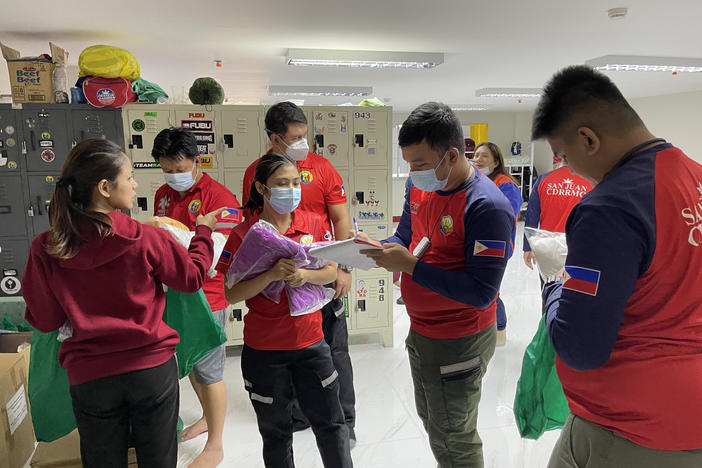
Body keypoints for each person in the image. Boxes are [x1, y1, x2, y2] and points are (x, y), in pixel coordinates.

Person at [533, 65, 702, 467]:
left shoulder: (610, 207)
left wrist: (554, 285)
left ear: (588, 138)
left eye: (565, 155)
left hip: (629, 429)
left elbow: (580, 346)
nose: (569, 169)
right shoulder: (695, 177)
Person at [22, 139, 222, 468]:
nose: (135, 183)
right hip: (151, 371)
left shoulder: (47, 248)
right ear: (104, 187)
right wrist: (203, 232)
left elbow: (45, 321)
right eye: (129, 176)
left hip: (91, 377)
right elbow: (191, 278)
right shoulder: (147, 239)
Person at [362, 102, 515, 467]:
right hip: (424, 332)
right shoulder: (422, 187)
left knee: (454, 435)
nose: (413, 173)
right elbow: (406, 233)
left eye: (418, 164)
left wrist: (412, 267)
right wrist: (380, 248)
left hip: (460, 339)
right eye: (408, 163)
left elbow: (482, 293)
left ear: (450, 155)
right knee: (435, 422)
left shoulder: (486, 207)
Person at [219, 153, 352, 468]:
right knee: (276, 433)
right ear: (262, 189)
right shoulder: (243, 235)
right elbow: (230, 293)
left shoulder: (315, 223)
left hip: (311, 343)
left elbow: (332, 272)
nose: (291, 190)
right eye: (282, 184)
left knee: (331, 425)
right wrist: (269, 275)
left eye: (296, 183)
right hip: (265, 350)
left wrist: (304, 275)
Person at [242, 101, 357, 444]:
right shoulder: (256, 172)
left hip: (321, 275)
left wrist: (345, 268)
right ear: (274, 138)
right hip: (281, 279)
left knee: (335, 349)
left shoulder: (321, 168)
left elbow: (340, 219)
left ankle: (345, 421)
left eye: (305, 135)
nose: (303, 143)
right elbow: (253, 229)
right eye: (295, 137)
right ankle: (297, 417)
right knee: (289, 354)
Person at [152, 128, 241, 468]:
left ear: (197, 161)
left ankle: (216, 444)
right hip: (175, 294)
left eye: (180, 168)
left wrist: (168, 233)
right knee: (189, 362)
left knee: (209, 370)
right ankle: (206, 418)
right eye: (167, 169)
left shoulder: (220, 199)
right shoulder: (163, 194)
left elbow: (217, 250)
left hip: (208, 296)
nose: (174, 176)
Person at [472, 142, 523, 346]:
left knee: (491, 289)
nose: (478, 159)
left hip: (497, 245)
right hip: (477, 243)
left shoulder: (506, 184)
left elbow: (505, 215)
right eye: (476, 155)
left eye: (484, 156)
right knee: (481, 287)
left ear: (496, 161)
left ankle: (500, 329)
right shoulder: (476, 181)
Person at [522, 150, 592, 277]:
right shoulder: (591, 183)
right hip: (576, 249)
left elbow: (531, 216)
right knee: (573, 291)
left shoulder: (543, 180)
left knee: (548, 288)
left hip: (546, 247)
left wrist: (527, 247)